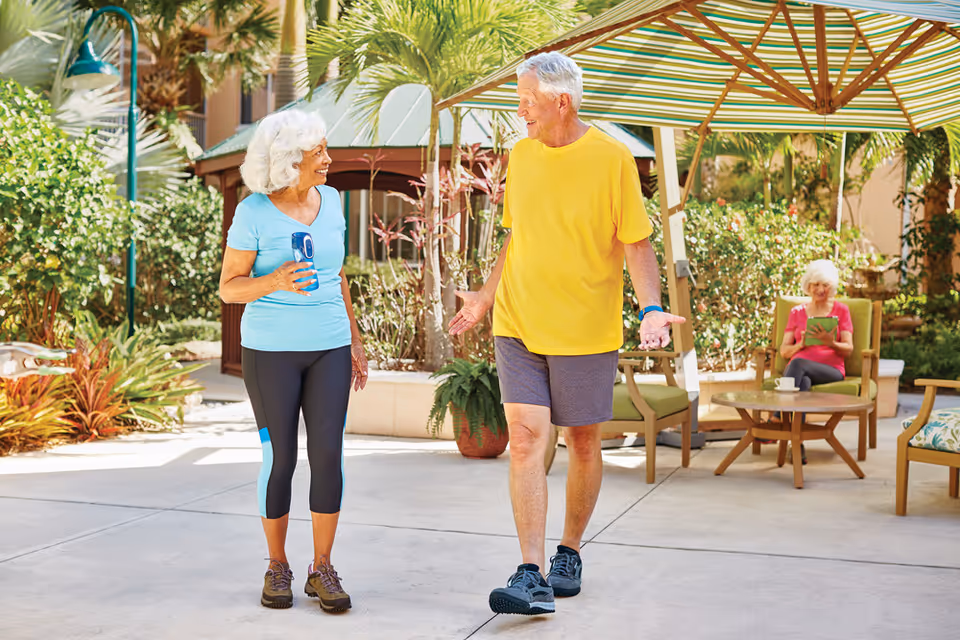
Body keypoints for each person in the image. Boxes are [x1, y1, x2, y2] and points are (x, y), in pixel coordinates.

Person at [448, 51, 685, 616]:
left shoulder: (612, 159)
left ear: (563, 102)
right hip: (518, 322)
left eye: (527, 101)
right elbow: (517, 237)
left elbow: (636, 242)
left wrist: (651, 307)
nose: (520, 111)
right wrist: (485, 296)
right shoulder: (522, 155)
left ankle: (569, 552)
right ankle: (530, 573)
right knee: (526, 438)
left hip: (583, 329)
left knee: (581, 441)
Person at [219, 109, 368, 612]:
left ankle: (321, 567)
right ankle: (277, 565)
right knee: (280, 458)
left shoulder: (333, 201)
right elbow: (229, 287)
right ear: (289, 160)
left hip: (330, 345)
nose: (328, 159)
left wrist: (356, 338)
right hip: (271, 353)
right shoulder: (254, 212)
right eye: (319, 151)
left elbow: (338, 275)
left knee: (328, 455)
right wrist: (275, 282)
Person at [777, 259, 854, 463]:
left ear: (832, 287)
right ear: (808, 286)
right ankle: (797, 444)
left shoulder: (841, 311)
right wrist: (800, 345)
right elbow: (784, 351)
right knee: (802, 381)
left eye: (825, 285)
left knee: (797, 364)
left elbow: (849, 350)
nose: (820, 289)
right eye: (815, 284)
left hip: (831, 370)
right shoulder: (797, 312)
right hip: (800, 372)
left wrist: (831, 343)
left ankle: (777, 416)